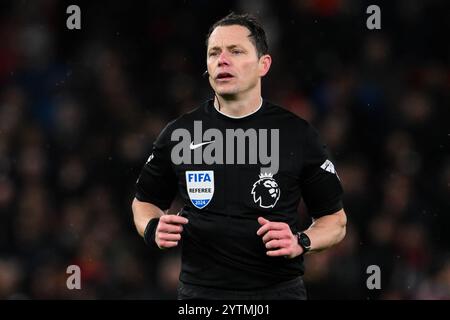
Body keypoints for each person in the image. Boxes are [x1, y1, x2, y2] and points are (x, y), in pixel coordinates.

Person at [132, 12, 347, 300]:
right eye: (214, 53)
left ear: (263, 64)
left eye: (235, 51)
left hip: (276, 294)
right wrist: (152, 228)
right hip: (201, 298)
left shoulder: (298, 135)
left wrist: (302, 241)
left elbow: (335, 220)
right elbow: (144, 202)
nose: (222, 60)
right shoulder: (180, 134)